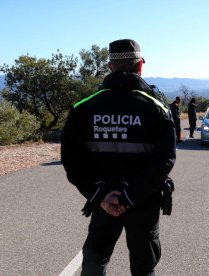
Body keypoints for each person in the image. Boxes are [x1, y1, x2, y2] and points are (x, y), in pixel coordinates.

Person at [61, 39, 176, 276]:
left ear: (110, 66)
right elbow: (165, 160)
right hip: (142, 202)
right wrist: (129, 194)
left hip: (104, 202)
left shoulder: (83, 107)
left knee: (94, 262)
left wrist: (101, 194)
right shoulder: (156, 108)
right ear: (140, 66)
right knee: (144, 268)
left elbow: (71, 161)